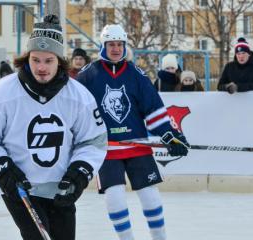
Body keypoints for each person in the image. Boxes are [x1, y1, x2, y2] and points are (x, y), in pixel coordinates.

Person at [0, 14, 107, 240]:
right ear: (27, 59)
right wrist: (1, 168)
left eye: (48, 60)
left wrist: (80, 172)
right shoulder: (3, 93)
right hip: (20, 187)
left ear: (60, 60)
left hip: (62, 186)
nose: (41, 67)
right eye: (36, 60)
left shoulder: (79, 96)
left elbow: (93, 141)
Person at [77, 24, 189, 240]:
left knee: (151, 198)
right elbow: (74, 110)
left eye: (120, 44)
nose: (116, 49)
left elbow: (153, 108)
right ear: (104, 45)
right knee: (115, 197)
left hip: (138, 146)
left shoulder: (136, 74)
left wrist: (170, 135)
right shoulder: (88, 76)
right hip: (107, 150)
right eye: (112, 44)